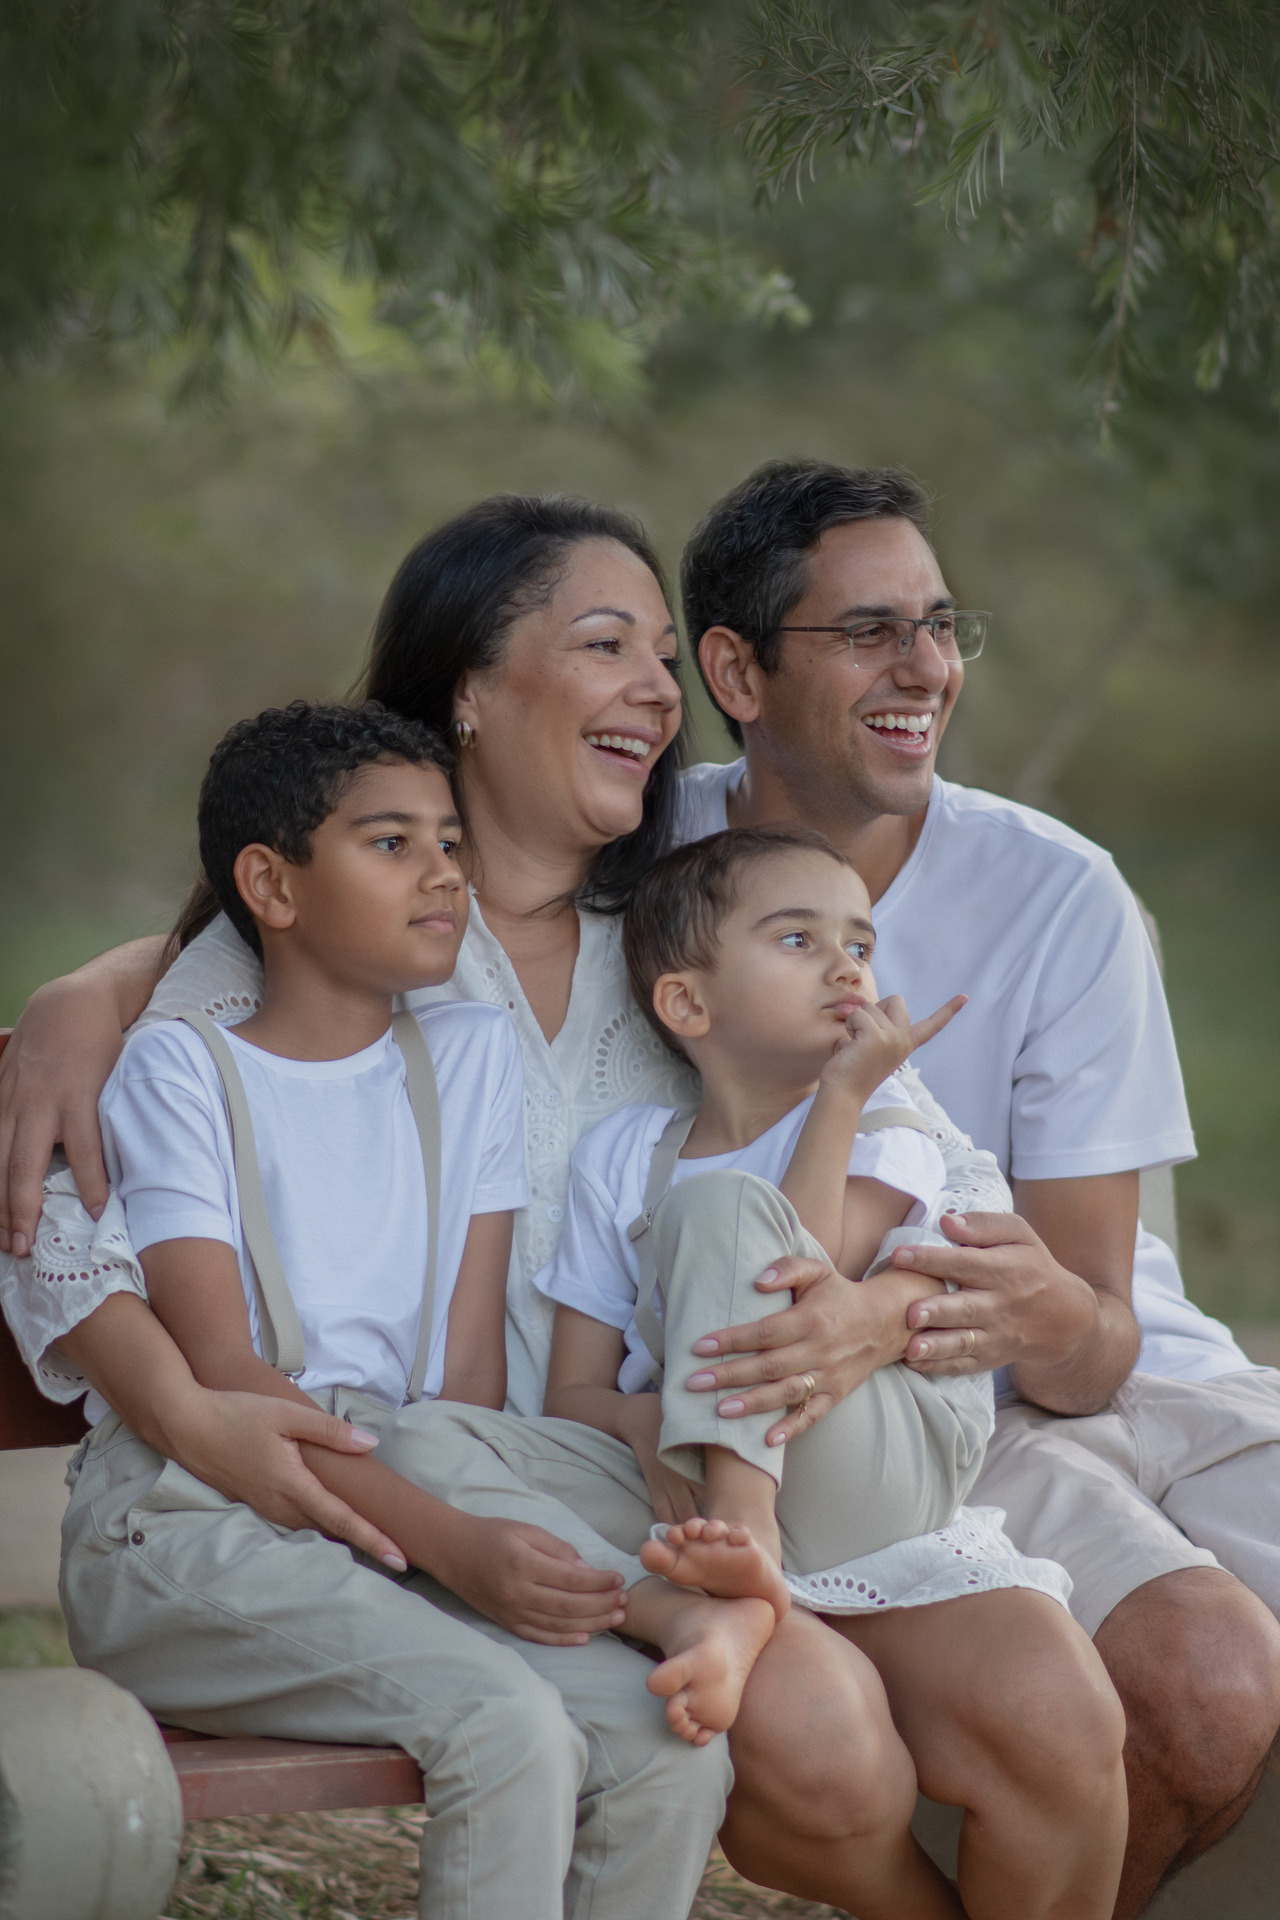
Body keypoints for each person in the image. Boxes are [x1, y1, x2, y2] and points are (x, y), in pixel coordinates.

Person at [0, 493, 1128, 1920]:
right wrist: (82, 1000)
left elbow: (928, 1154)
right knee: (821, 1739)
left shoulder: (676, 934)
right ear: (467, 692)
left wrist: (886, 1296)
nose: (657, 691)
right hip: (484, 1490)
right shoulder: (360, 936)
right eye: (606, 646)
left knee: (1052, 1715)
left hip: (704, 1467)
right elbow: (94, 1195)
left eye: (663, 654)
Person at [671, 458, 1280, 1917]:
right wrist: (122, 989)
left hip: (1129, 1375)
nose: (926, 668)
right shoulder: (648, 869)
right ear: (737, 672)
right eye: (869, 631)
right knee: (1205, 1683)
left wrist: (910, 1312)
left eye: (941, 625)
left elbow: (1095, 1339)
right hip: (942, 1421)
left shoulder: (1056, 890)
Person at [68, 696, 733, 1920]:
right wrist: (451, 1545)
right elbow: (219, 1370)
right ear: (270, 886)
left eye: (449, 842)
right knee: (503, 1726)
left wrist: (455, 1532)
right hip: (192, 1523)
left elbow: (463, 1383)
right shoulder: (185, 1068)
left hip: (396, 1511)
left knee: (662, 1750)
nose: (441, 873)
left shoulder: (465, 1056)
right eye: (391, 843)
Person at [539, 823, 1020, 1612]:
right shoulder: (623, 1155)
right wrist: (641, 1419)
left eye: (860, 947)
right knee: (434, 1444)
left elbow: (805, 1294)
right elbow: (570, 1394)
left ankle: (746, 1541)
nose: (847, 968)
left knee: (721, 1205)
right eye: (799, 939)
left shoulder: (880, 1122)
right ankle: (718, 1559)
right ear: (688, 1002)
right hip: (679, 1465)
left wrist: (843, 1092)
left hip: (864, 1462)